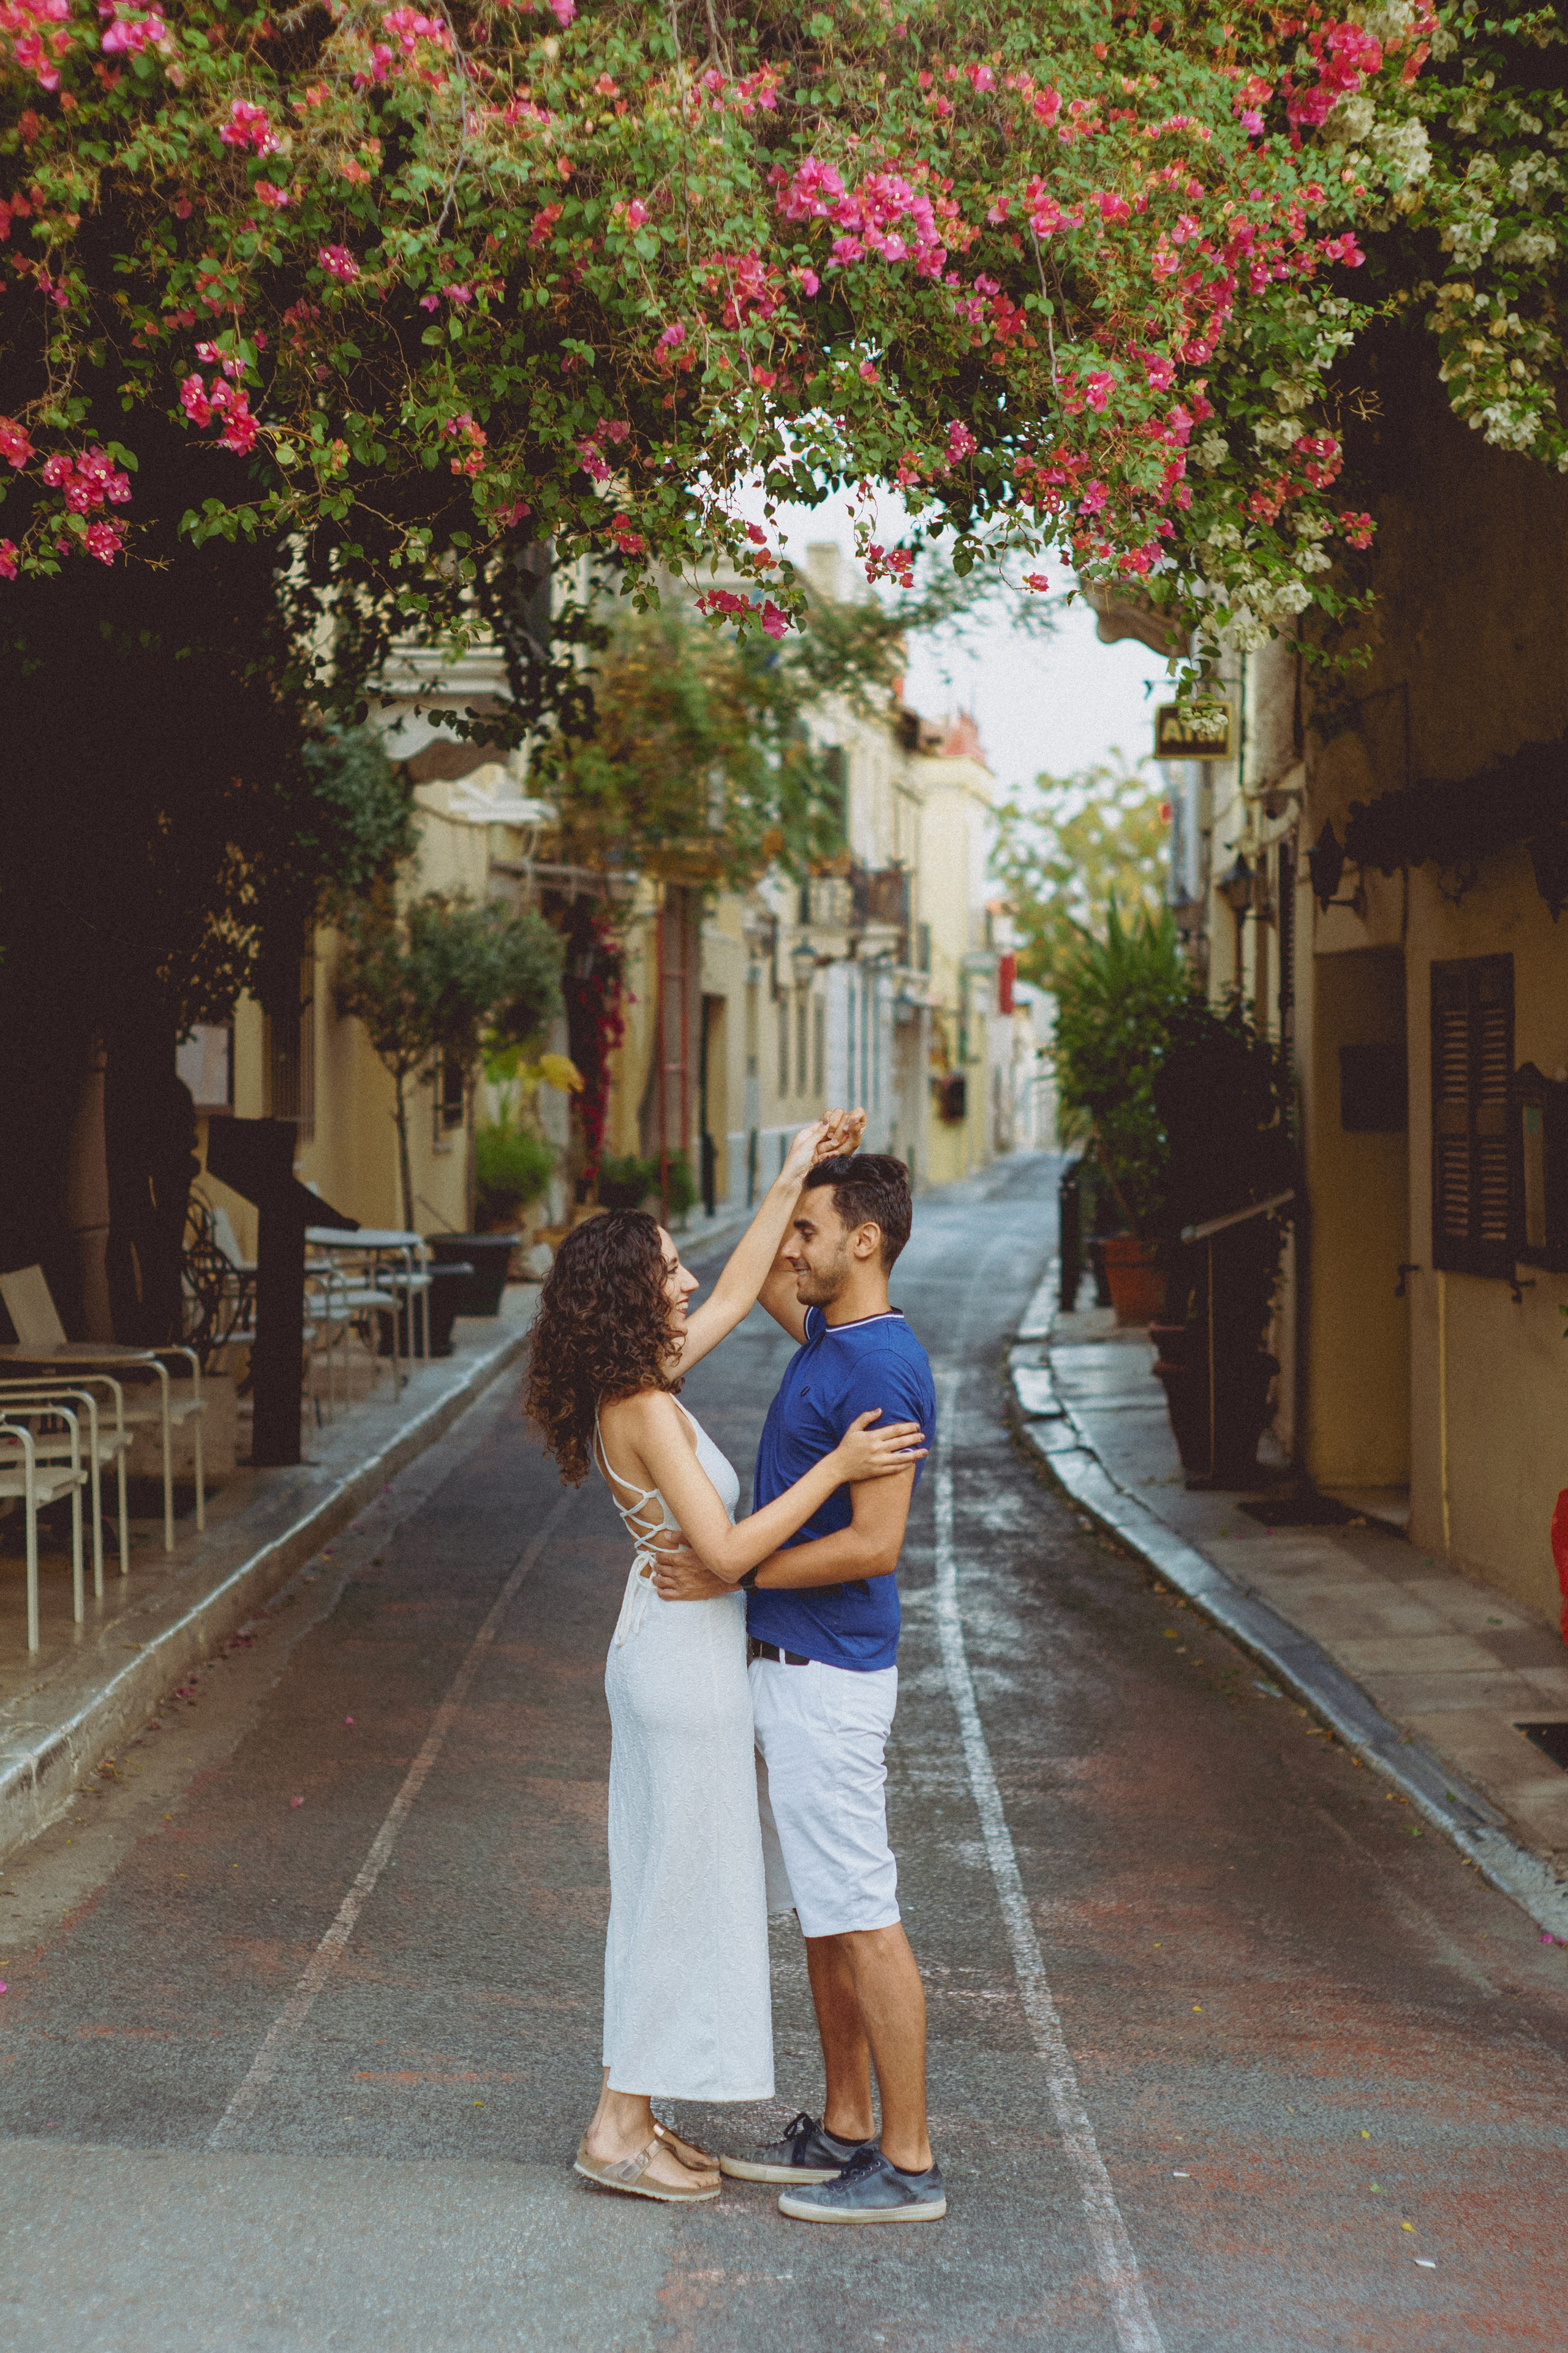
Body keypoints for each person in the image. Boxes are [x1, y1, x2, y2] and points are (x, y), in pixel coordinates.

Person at [522, 1117, 928, 2207]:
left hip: (672, 1655)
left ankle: (637, 2114)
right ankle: (617, 2124)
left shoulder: (636, 1379)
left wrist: (792, 1170)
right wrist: (838, 1463)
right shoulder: (646, 1404)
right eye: (668, 1268)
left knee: (671, 1885)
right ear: (628, 1294)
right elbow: (733, 1550)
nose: (690, 1276)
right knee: (673, 1894)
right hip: (682, 1672)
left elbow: (748, 1289)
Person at [653, 1152, 945, 2225]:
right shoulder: (832, 1332)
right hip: (790, 1670)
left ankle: (908, 2162)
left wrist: (738, 1566)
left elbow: (876, 1541)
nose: (793, 1249)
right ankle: (847, 2125)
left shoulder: (880, 1367)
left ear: (864, 1241)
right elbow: (748, 1283)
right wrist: (792, 1175)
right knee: (826, 1916)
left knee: (863, 1914)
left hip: (828, 1677)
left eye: (812, 1230)